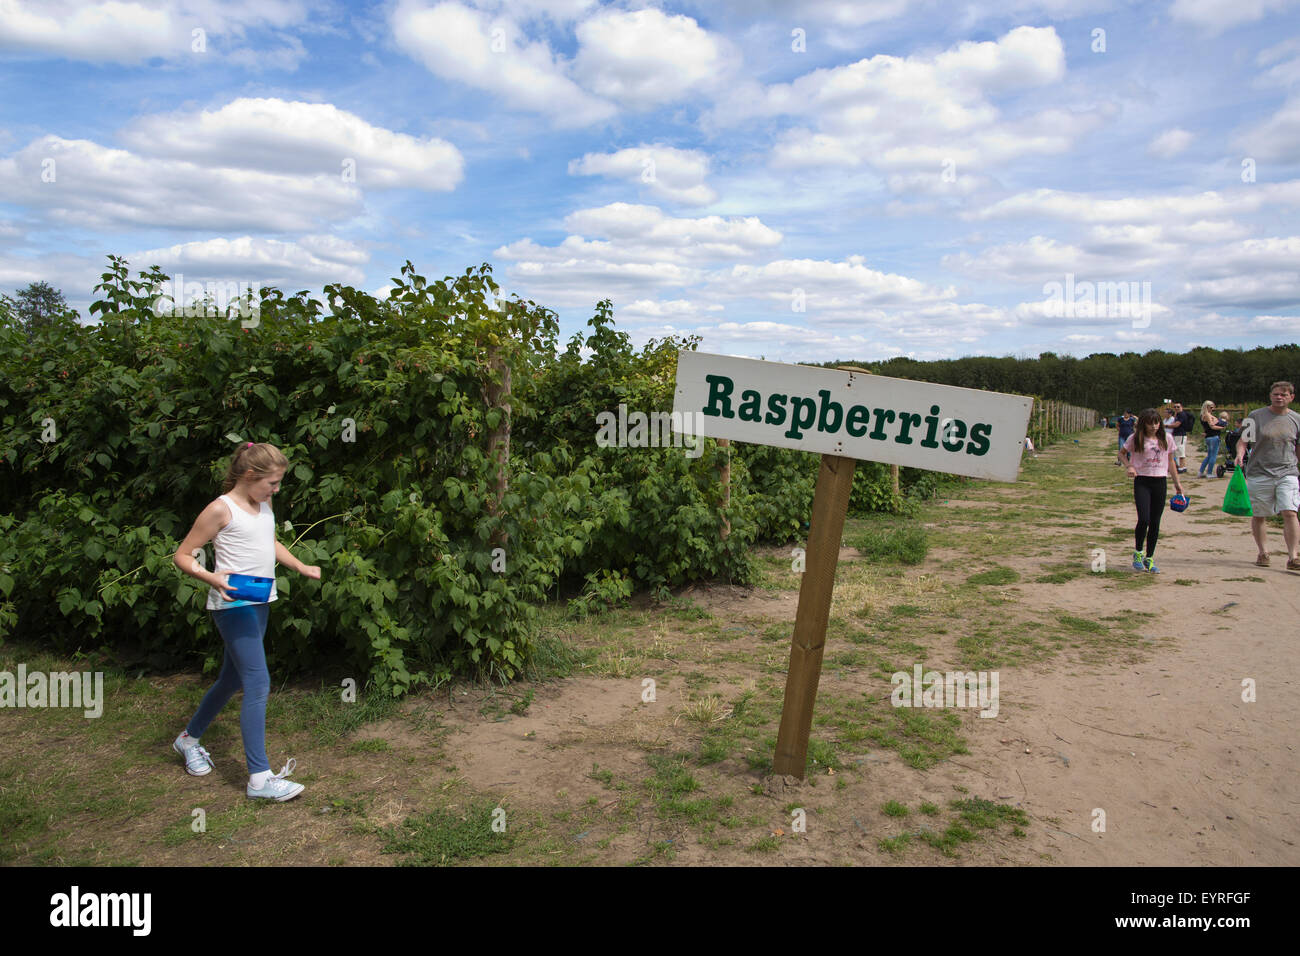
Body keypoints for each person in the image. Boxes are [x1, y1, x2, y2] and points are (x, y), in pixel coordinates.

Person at [170, 442, 322, 800]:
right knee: (257, 681)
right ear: (250, 475)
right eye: (272, 483)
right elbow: (182, 555)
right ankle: (259, 778)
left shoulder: (263, 503)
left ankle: (188, 740)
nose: (276, 490)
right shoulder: (220, 510)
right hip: (232, 605)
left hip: (260, 601)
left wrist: (299, 565)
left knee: (230, 678)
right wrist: (212, 578)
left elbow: (269, 541)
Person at [1234, 382, 1300, 571]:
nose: (1279, 397)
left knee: (1289, 511)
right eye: (1276, 394)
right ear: (1270, 396)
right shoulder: (1255, 416)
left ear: (1291, 397)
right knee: (1260, 514)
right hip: (1259, 472)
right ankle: (1263, 552)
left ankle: (1293, 556)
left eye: (1284, 394)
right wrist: (1240, 454)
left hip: (1288, 472)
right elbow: (1243, 441)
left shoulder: (1297, 419)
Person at [1122, 408, 1186, 573]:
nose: (1154, 426)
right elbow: (1121, 453)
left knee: (1155, 522)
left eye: (1157, 423)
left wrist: (1177, 483)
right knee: (1144, 519)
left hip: (1160, 481)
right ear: (1144, 424)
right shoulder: (1135, 438)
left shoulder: (1167, 438)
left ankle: (1149, 558)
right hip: (1142, 481)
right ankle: (1138, 552)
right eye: (1150, 423)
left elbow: (1171, 461)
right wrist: (1129, 466)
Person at [1197, 400, 1225, 478]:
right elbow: (1212, 426)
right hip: (1213, 436)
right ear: (1207, 407)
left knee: (1209, 456)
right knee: (1213, 456)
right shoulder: (1207, 415)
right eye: (1211, 407)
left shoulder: (1202, 415)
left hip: (1208, 437)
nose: (1213, 409)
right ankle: (1209, 473)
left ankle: (1201, 471)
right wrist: (1222, 428)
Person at [1169, 402, 1194, 473]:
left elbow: (1177, 424)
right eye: (1175, 407)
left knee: (1180, 451)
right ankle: (1182, 466)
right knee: (1178, 451)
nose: (1176, 408)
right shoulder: (1177, 415)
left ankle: (1181, 467)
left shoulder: (1182, 415)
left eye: (1178, 407)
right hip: (1177, 435)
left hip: (1181, 435)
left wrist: (1166, 426)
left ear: (1181, 407)